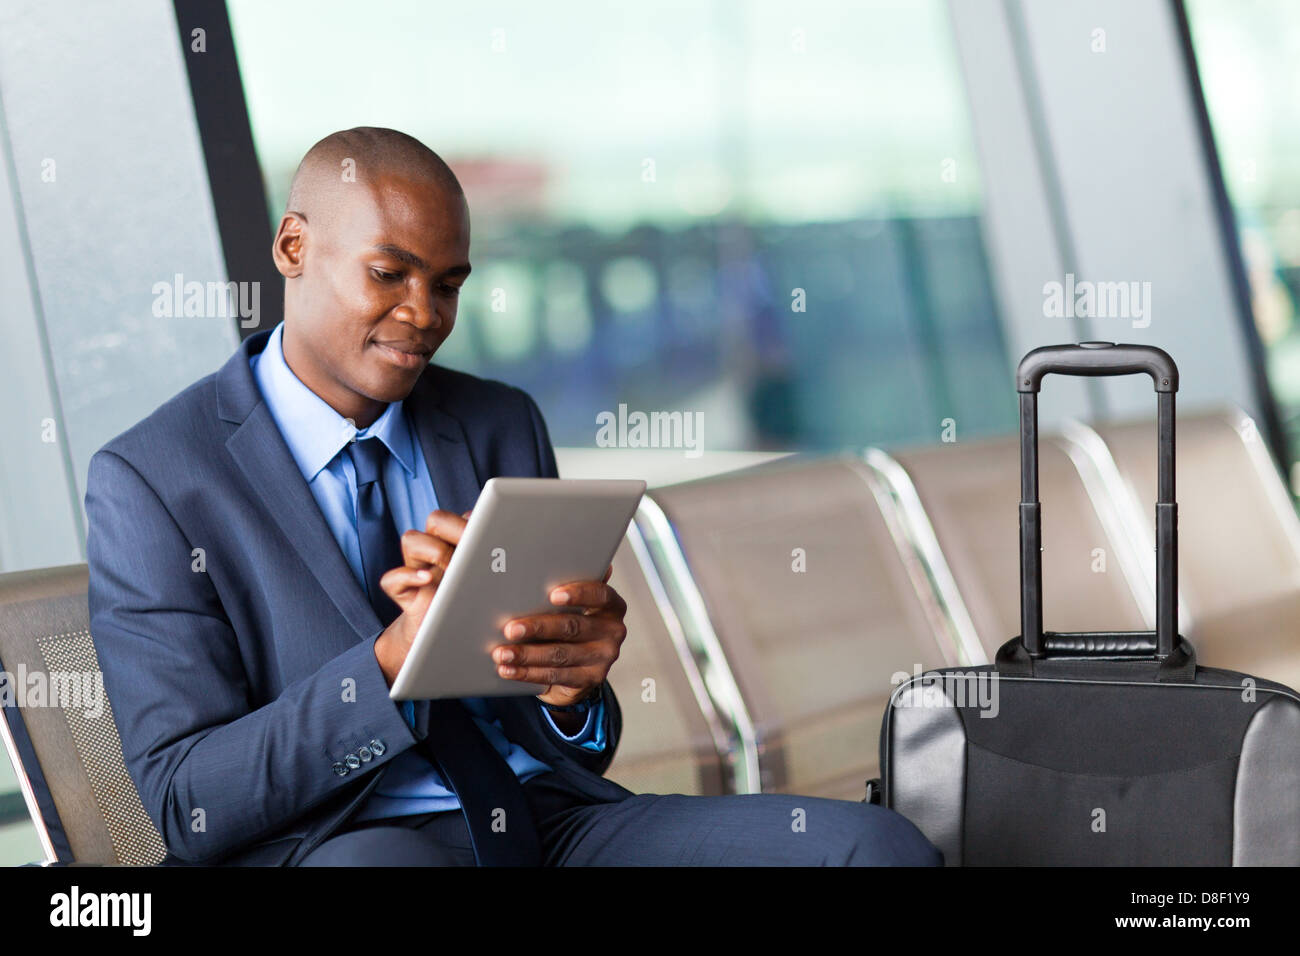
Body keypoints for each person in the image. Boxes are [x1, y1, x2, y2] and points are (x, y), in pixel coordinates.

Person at [85, 127, 941, 867]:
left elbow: (575, 738)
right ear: (293, 248)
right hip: (345, 842)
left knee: (873, 849)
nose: (424, 314)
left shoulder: (496, 423)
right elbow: (188, 803)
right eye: (389, 273)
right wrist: (391, 664)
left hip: (547, 824)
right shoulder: (156, 481)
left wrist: (570, 691)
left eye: (449, 284)